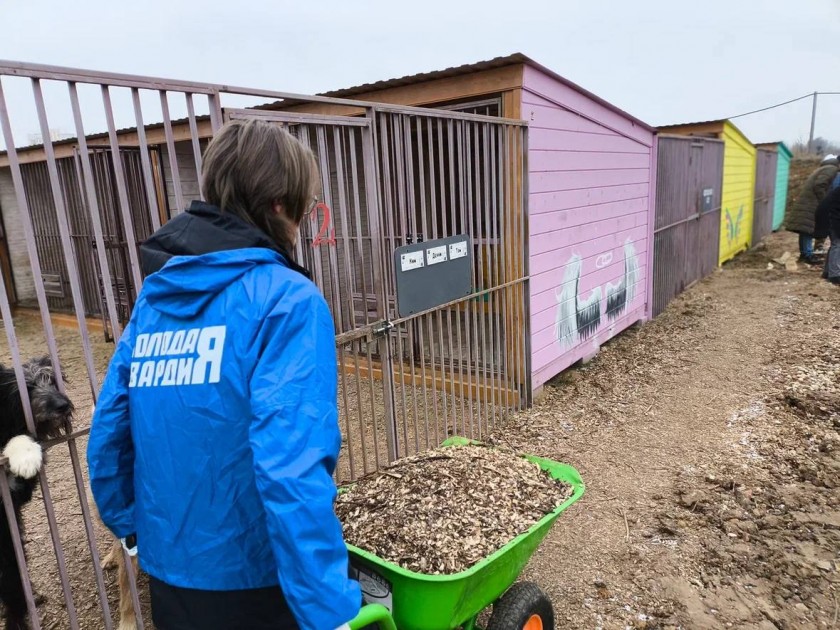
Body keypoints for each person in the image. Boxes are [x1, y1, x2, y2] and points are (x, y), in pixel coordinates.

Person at [87, 119, 360, 630]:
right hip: (253, 580)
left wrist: (129, 525)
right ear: (281, 206)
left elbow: (108, 431)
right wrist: (330, 610)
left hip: (169, 574)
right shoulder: (287, 299)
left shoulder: (155, 298)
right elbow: (291, 466)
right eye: (304, 206)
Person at [787, 154, 839, 263]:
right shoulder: (832, 169)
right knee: (808, 230)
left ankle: (805, 254)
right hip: (811, 203)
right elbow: (819, 184)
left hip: (809, 202)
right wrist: (825, 201)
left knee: (806, 229)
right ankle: (807, 255)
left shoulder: (826, 168)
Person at [818, 184, 840, 284]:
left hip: (828, 215)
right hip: (832, 217)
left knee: (835, 244)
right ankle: (835, 275)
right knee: (837, 244)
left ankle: (827, 272)